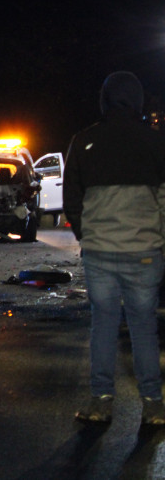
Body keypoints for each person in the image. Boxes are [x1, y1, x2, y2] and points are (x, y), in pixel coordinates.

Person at [64, 71, 165, 426]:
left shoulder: (84, 141)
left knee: (103, 325)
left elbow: (71, 198)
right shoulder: (156, 143)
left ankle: (101, 401)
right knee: (143, 327)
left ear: (105, 99)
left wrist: (86, 234)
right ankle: (153, 404)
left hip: (101, 252)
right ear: (138, 101)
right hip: (145, 251)